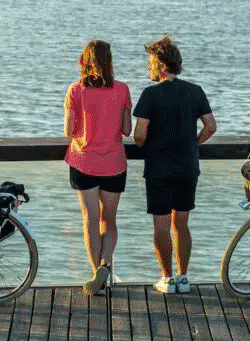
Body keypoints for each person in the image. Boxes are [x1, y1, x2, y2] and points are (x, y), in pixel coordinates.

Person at [132, 35, 216, 294]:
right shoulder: (195, 90)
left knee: (160, 225)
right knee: (181, 223)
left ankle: (166, 278)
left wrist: (145, 144)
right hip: (188, 166)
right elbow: (211, 127)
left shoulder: (150, 94)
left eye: (151, 63)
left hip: (159, 167)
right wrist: (193, 143)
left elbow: (139, 136)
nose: (148, 68)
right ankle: (183, 277)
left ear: (162, 66)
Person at [64, 39, 133, 296]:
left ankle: (98, 276)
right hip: (114, 163)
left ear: (86, 61)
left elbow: (69, 130)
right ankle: (106, 265)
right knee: (110, 222)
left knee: (90, 220)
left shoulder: (76, 90)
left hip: (84, 163)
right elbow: (126, 130)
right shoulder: (122, 89)